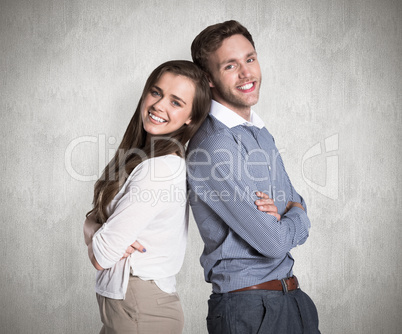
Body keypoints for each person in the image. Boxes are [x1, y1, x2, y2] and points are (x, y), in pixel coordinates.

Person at [187, 20, 320, 333]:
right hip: (251, 309)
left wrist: (290, 212)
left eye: (250, 59)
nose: (247, 73)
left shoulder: (260, 133)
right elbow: (274, 241)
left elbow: (294, 202)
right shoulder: (214, 145)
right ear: (208, 78)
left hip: (291, 300)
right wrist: (294, 216)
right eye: (231, 66)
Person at [83, 60, 211, 334]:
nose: (159, 105)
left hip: (142, 308)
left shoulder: (160, 168)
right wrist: (92, 226)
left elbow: (102, 256)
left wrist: (92, 229)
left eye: (176, 102)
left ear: (191, 117)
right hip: (130, 307)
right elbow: (101, 233)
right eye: (156, 92)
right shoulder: (144, 159)